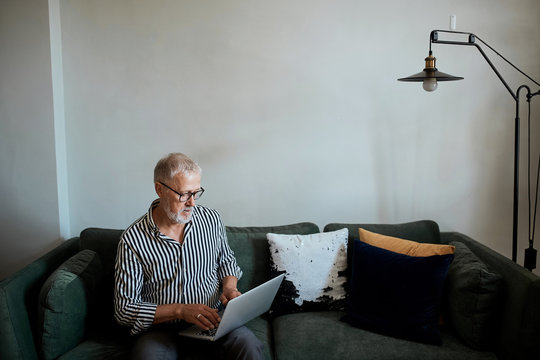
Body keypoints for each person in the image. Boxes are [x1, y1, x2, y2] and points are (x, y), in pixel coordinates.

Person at [114, 153, 264, 360]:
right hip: (162, 330)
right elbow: (124, 310)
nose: (192, 203)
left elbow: (226, 262)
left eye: (196, 193)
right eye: (184, 195)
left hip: (213, 320)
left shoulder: (210, 219)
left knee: (247, 344)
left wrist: (230, 287)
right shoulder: (133, 240)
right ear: (160, 189)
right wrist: (180, 310)